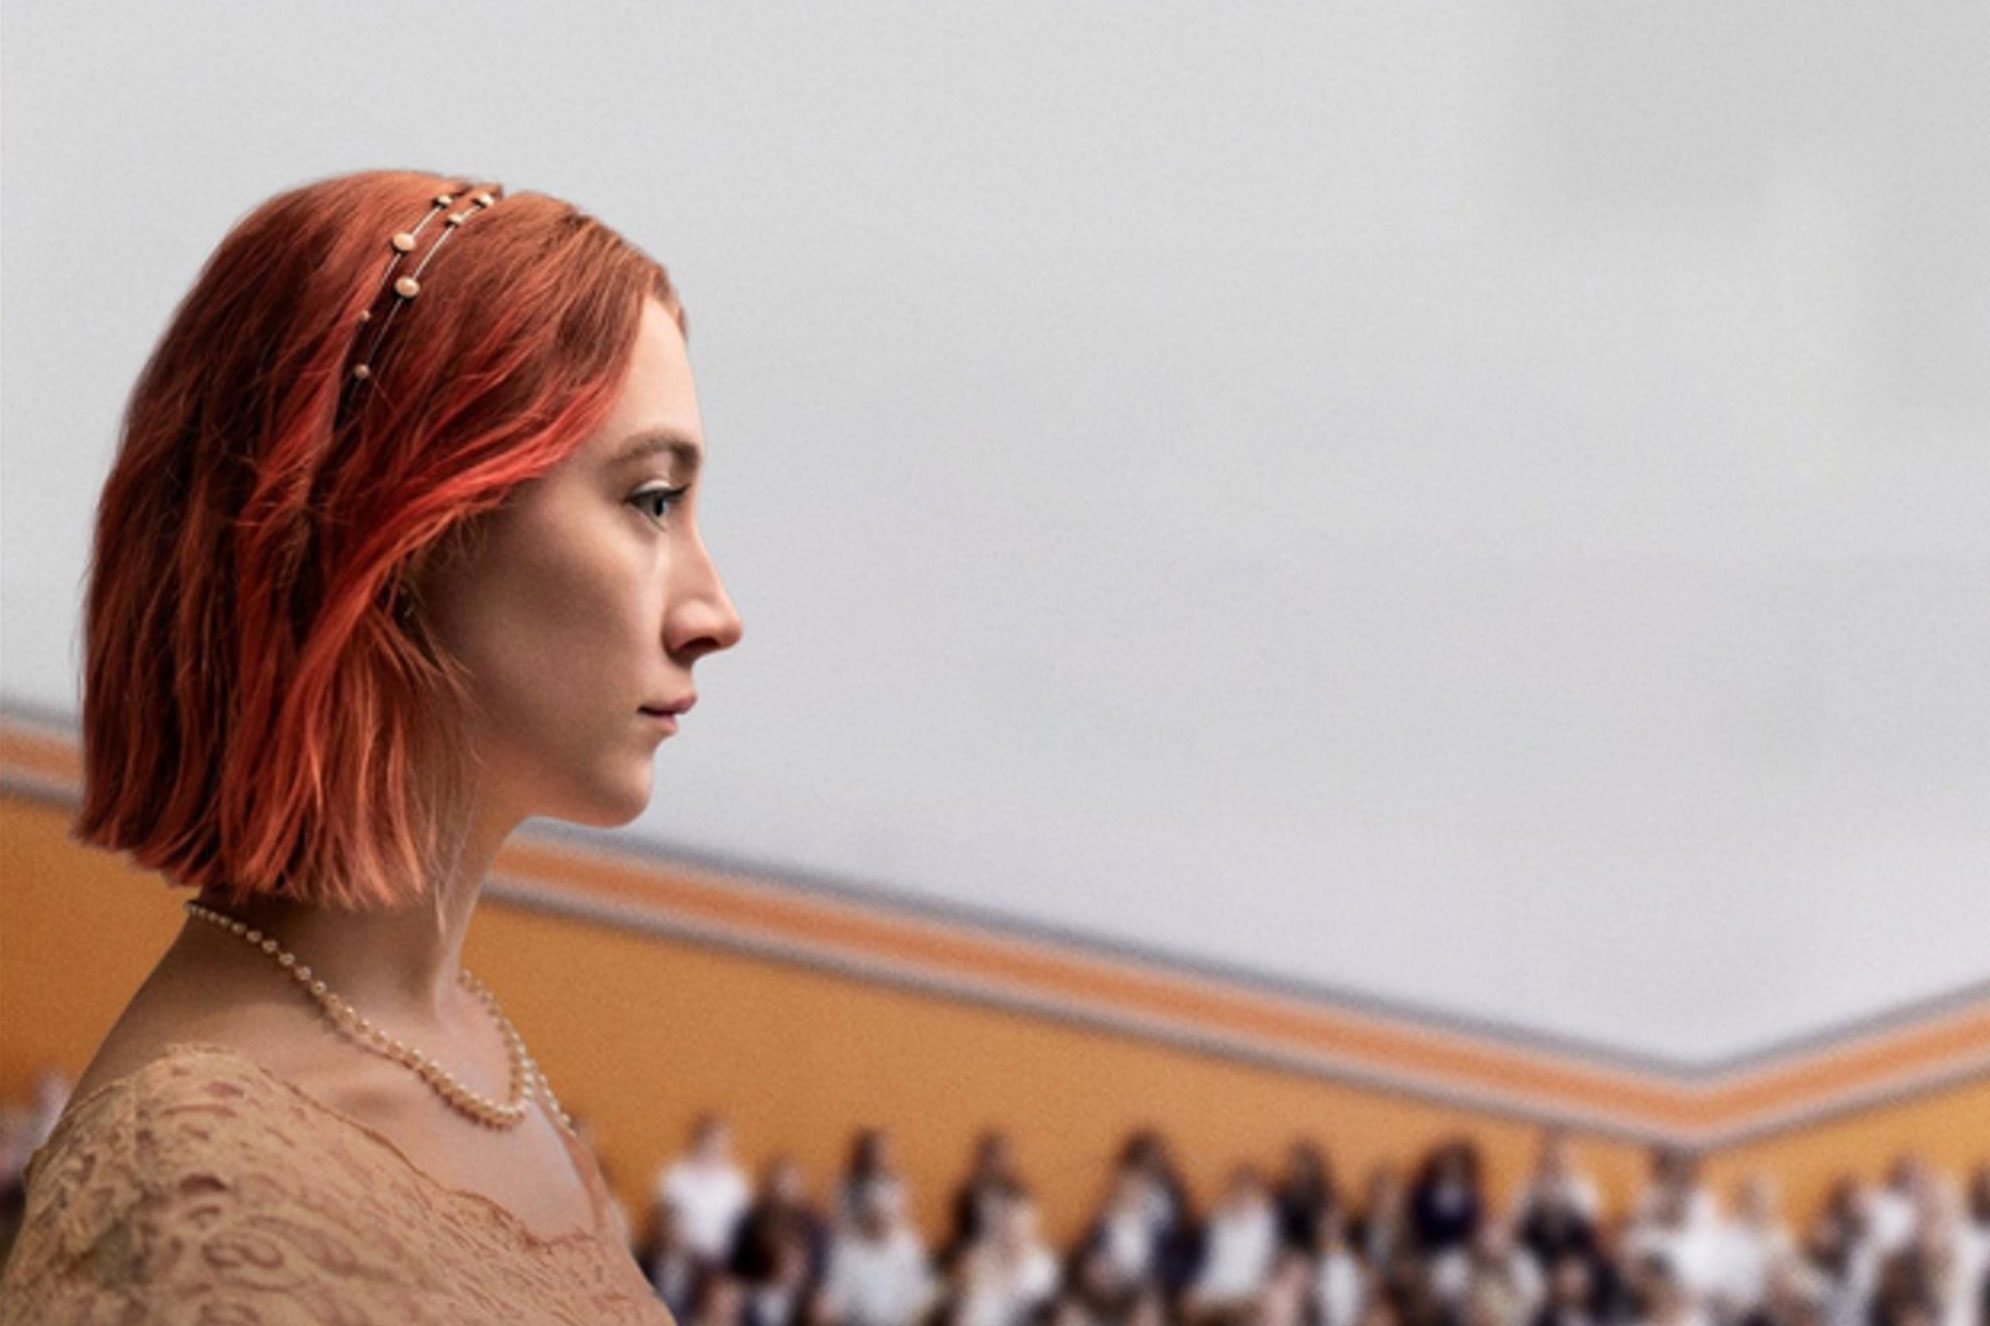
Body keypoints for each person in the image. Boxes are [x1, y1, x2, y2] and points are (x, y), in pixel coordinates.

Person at [0, 168, 743, 1320]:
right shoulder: (200, 1184)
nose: (713, 611)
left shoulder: (471, 1053)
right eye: (650, 501)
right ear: (407, 523)